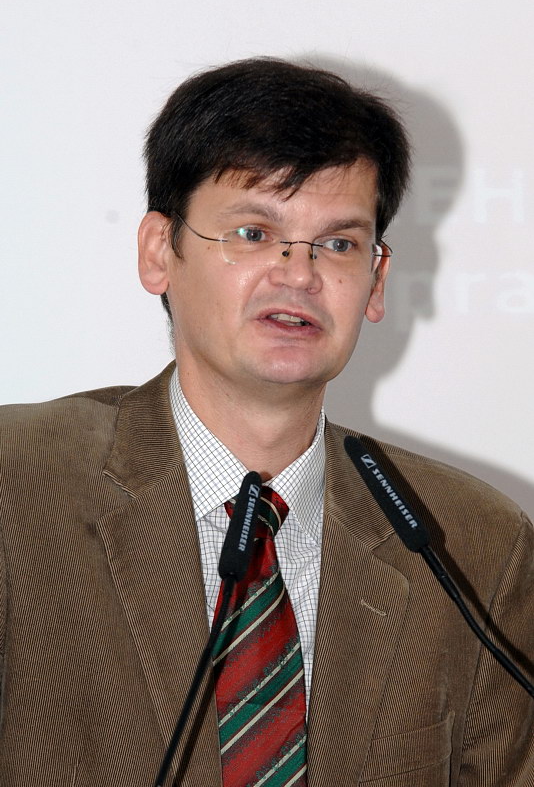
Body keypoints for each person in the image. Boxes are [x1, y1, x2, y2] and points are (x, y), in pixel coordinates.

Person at [0, 58, 532, 786]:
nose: (299, 274)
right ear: (159, 252)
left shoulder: (472, 544)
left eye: (338, 245)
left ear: (376, 282)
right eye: (254, 232)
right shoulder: (18, 486)